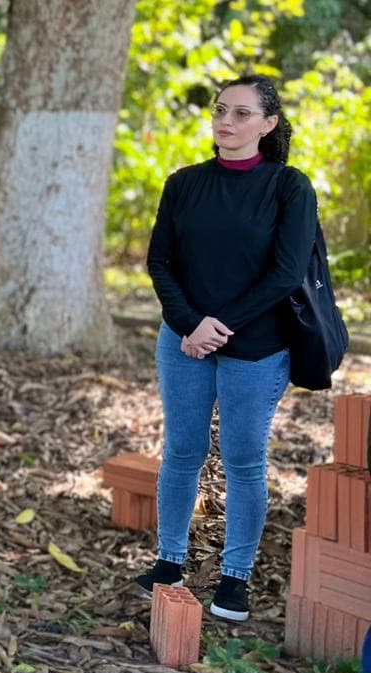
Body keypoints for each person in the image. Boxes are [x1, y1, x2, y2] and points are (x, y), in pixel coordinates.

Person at [136, 75, 316, 622]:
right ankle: (169, 563)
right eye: (220, 110)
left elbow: (286, 272)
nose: (226, 122)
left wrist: (219, 326)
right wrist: (191, 325)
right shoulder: (184, 183)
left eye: (241, 113)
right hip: (183, 342)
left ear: (268, 124)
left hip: (256, 347)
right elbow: (159, 262)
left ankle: (235, 578)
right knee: (182, 451)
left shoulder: (289, 187)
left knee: (243, 460)